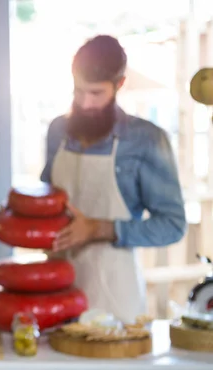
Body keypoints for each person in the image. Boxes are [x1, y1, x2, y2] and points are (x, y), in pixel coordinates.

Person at [40, 35, 186, 324]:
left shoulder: (146, 140)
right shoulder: (58, 131)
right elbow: (47, 199)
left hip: (115, 297)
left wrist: (99, 228)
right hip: (56, 291)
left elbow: (173, 225)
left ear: (119, 84)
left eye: (96, 93)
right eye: (79, 91)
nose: (85, 102)